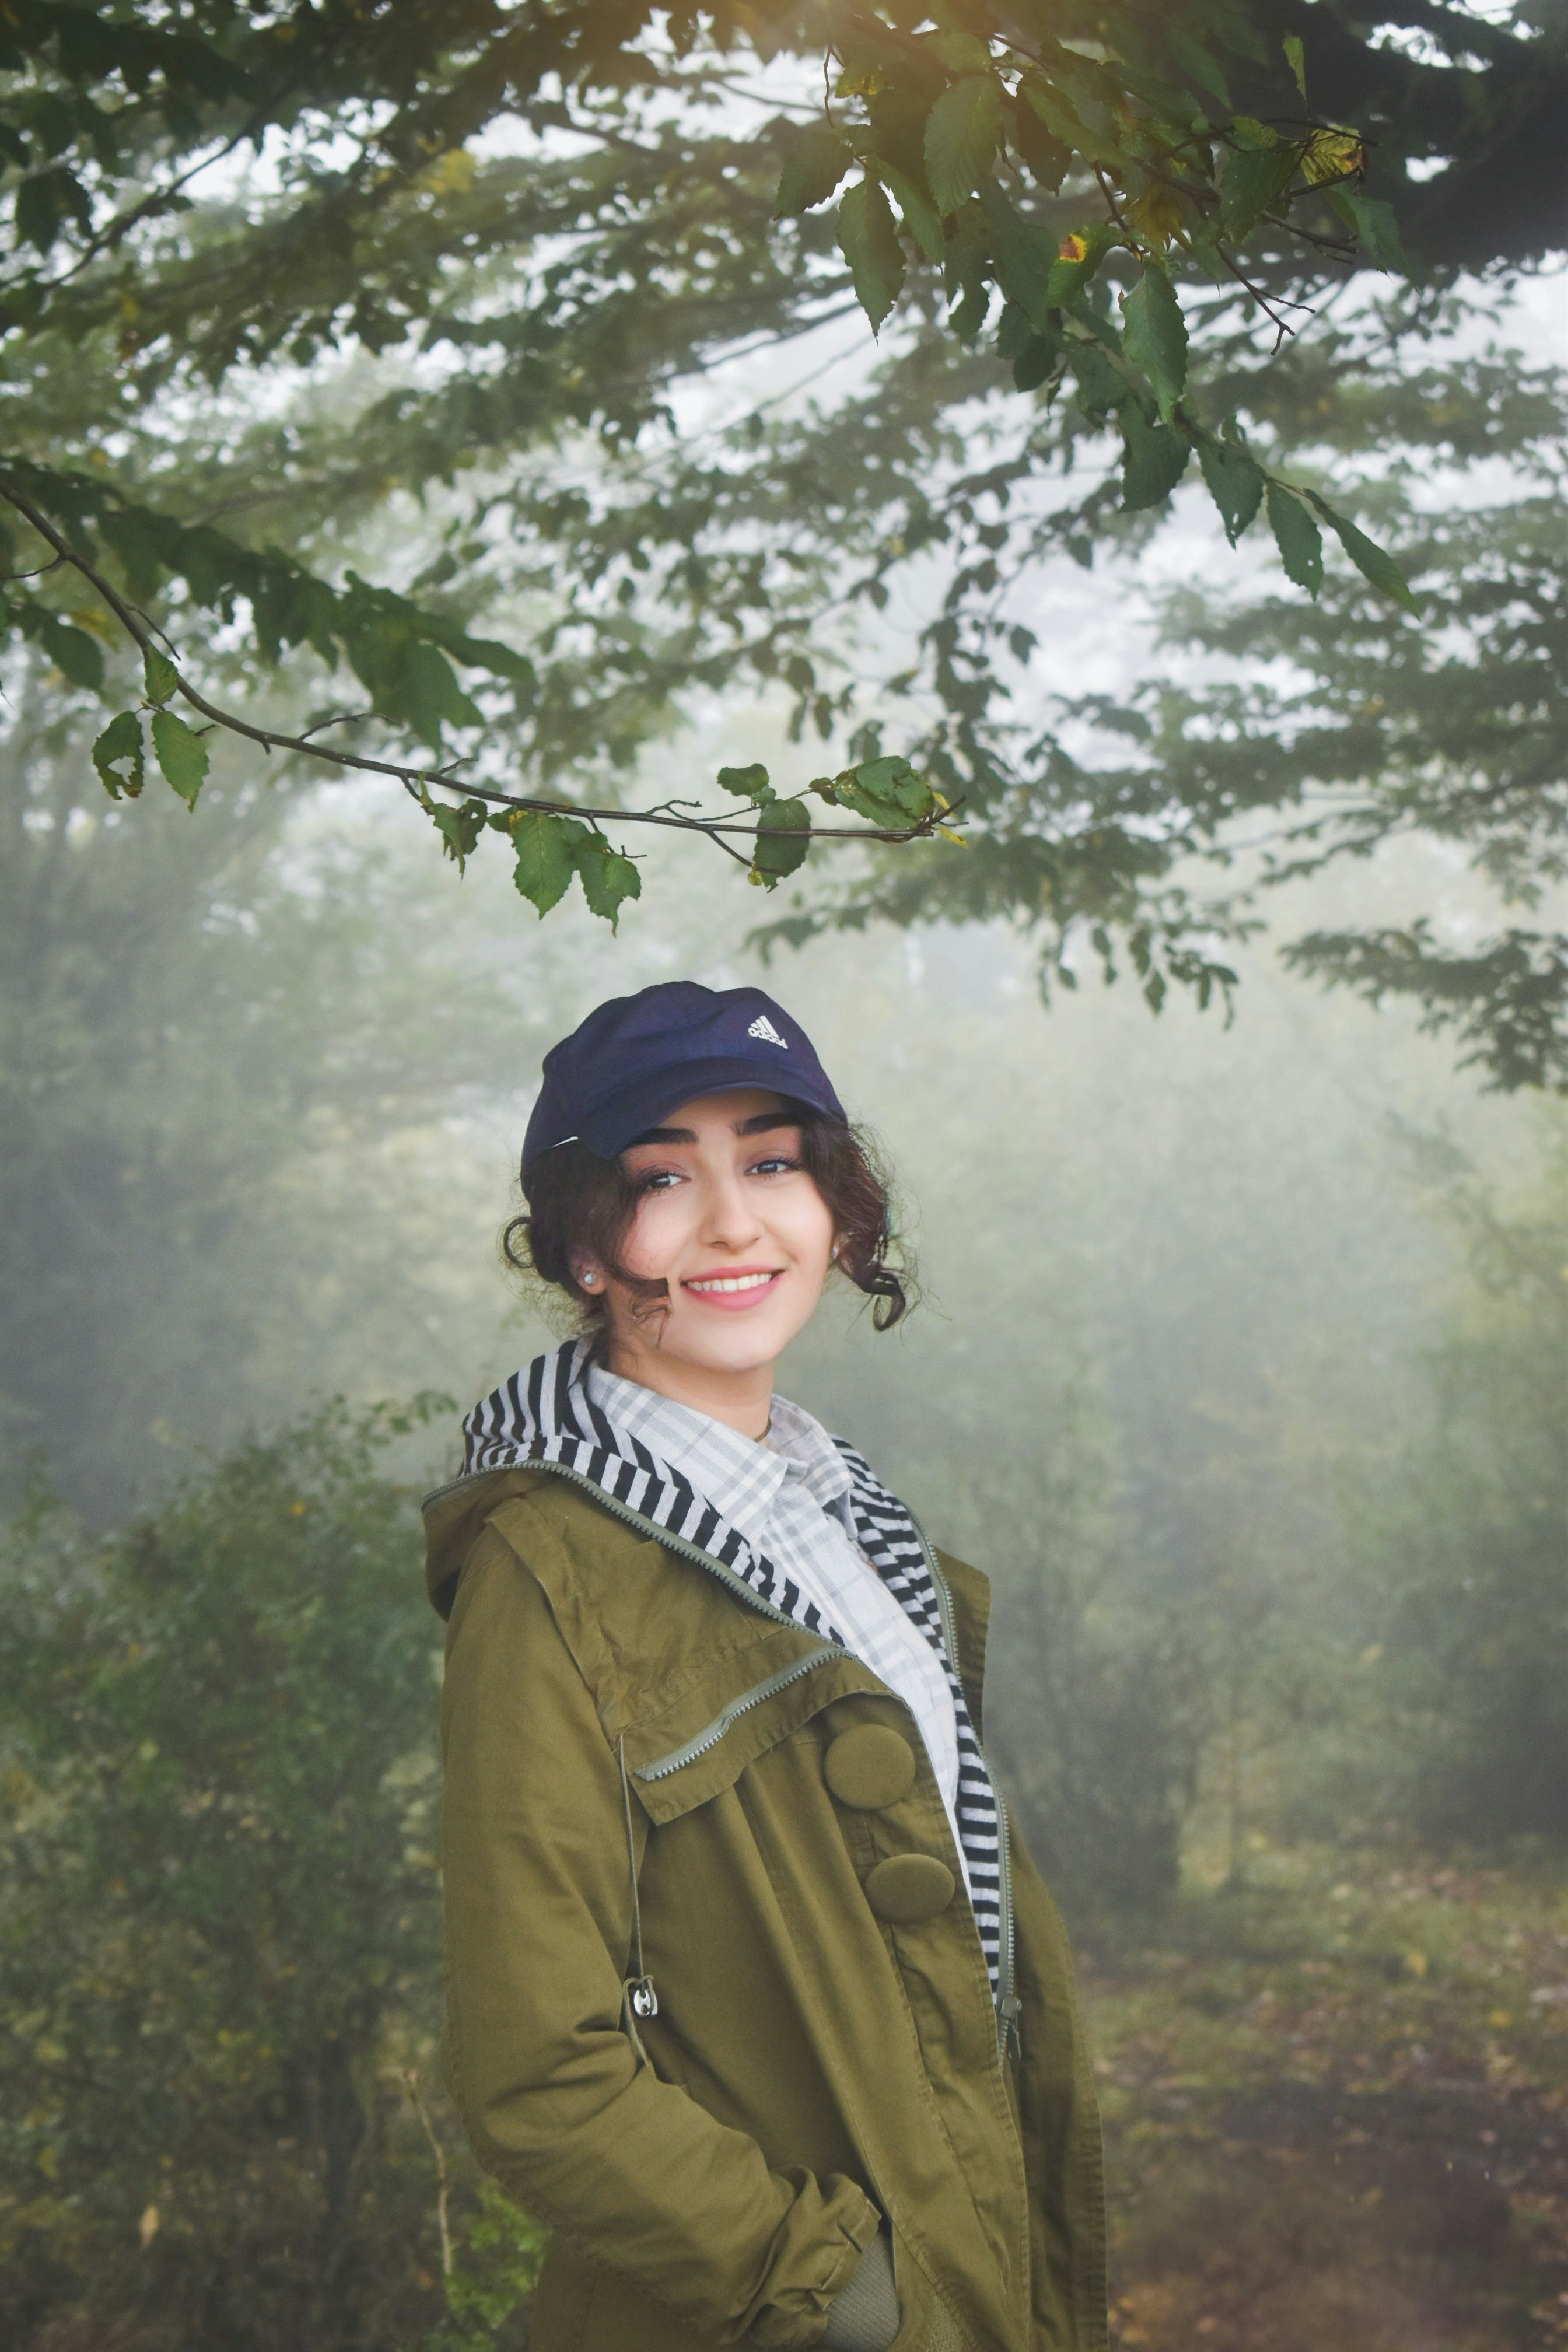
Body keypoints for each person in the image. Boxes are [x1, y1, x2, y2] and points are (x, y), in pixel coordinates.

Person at [425, 981, 1105, 2352]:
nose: (734, 1221)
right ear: (583, 1248)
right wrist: (839, 2292)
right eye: (662, 1177)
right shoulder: (545, 1564)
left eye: (774, 1162)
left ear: (840, 1214)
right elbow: (540, 2077)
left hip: (973, 2268)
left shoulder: (845, 1512)